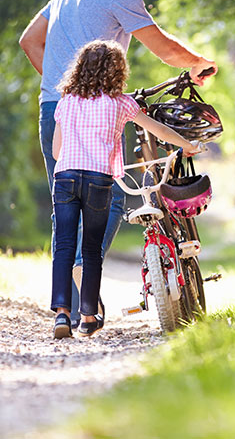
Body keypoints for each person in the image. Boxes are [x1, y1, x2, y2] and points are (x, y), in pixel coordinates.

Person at [20, 0, 216, 328]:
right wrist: (198, 62)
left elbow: (29, 41)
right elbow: (162, 48)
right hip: (99, 112)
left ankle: (74, 311)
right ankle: (81, 272)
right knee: (105, 198)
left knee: (66, 203)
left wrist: (68, 88)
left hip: (54, 108)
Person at [50, 40, 204, 338]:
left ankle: (60, 315)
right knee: (91, 250)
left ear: (79, 69)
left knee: (64, 247)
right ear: (118, 71)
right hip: (98, 180)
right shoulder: (121, 103)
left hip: (65, 178)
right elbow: (158, 130)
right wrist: (188, 145)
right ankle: (88, 316)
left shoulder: (66, 100)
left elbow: (57, 151)